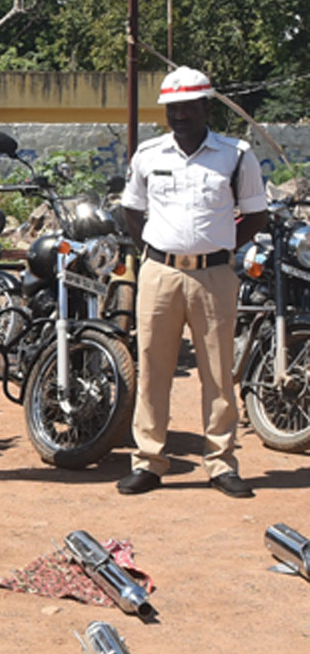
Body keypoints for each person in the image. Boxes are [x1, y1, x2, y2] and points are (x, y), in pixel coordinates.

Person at [116, 66, 266, 499]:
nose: (179, 115)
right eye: (172, 108)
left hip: (215, 275)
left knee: (218, 373)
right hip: (159, 272)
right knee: (153, 369)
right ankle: (148, 461)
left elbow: (256, 215)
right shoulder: (148, 155)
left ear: (206, 107)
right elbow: (132, 209)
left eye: (187, 106)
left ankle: (221, 463)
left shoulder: (236, 155)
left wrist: (219, 247)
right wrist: (154, 249)